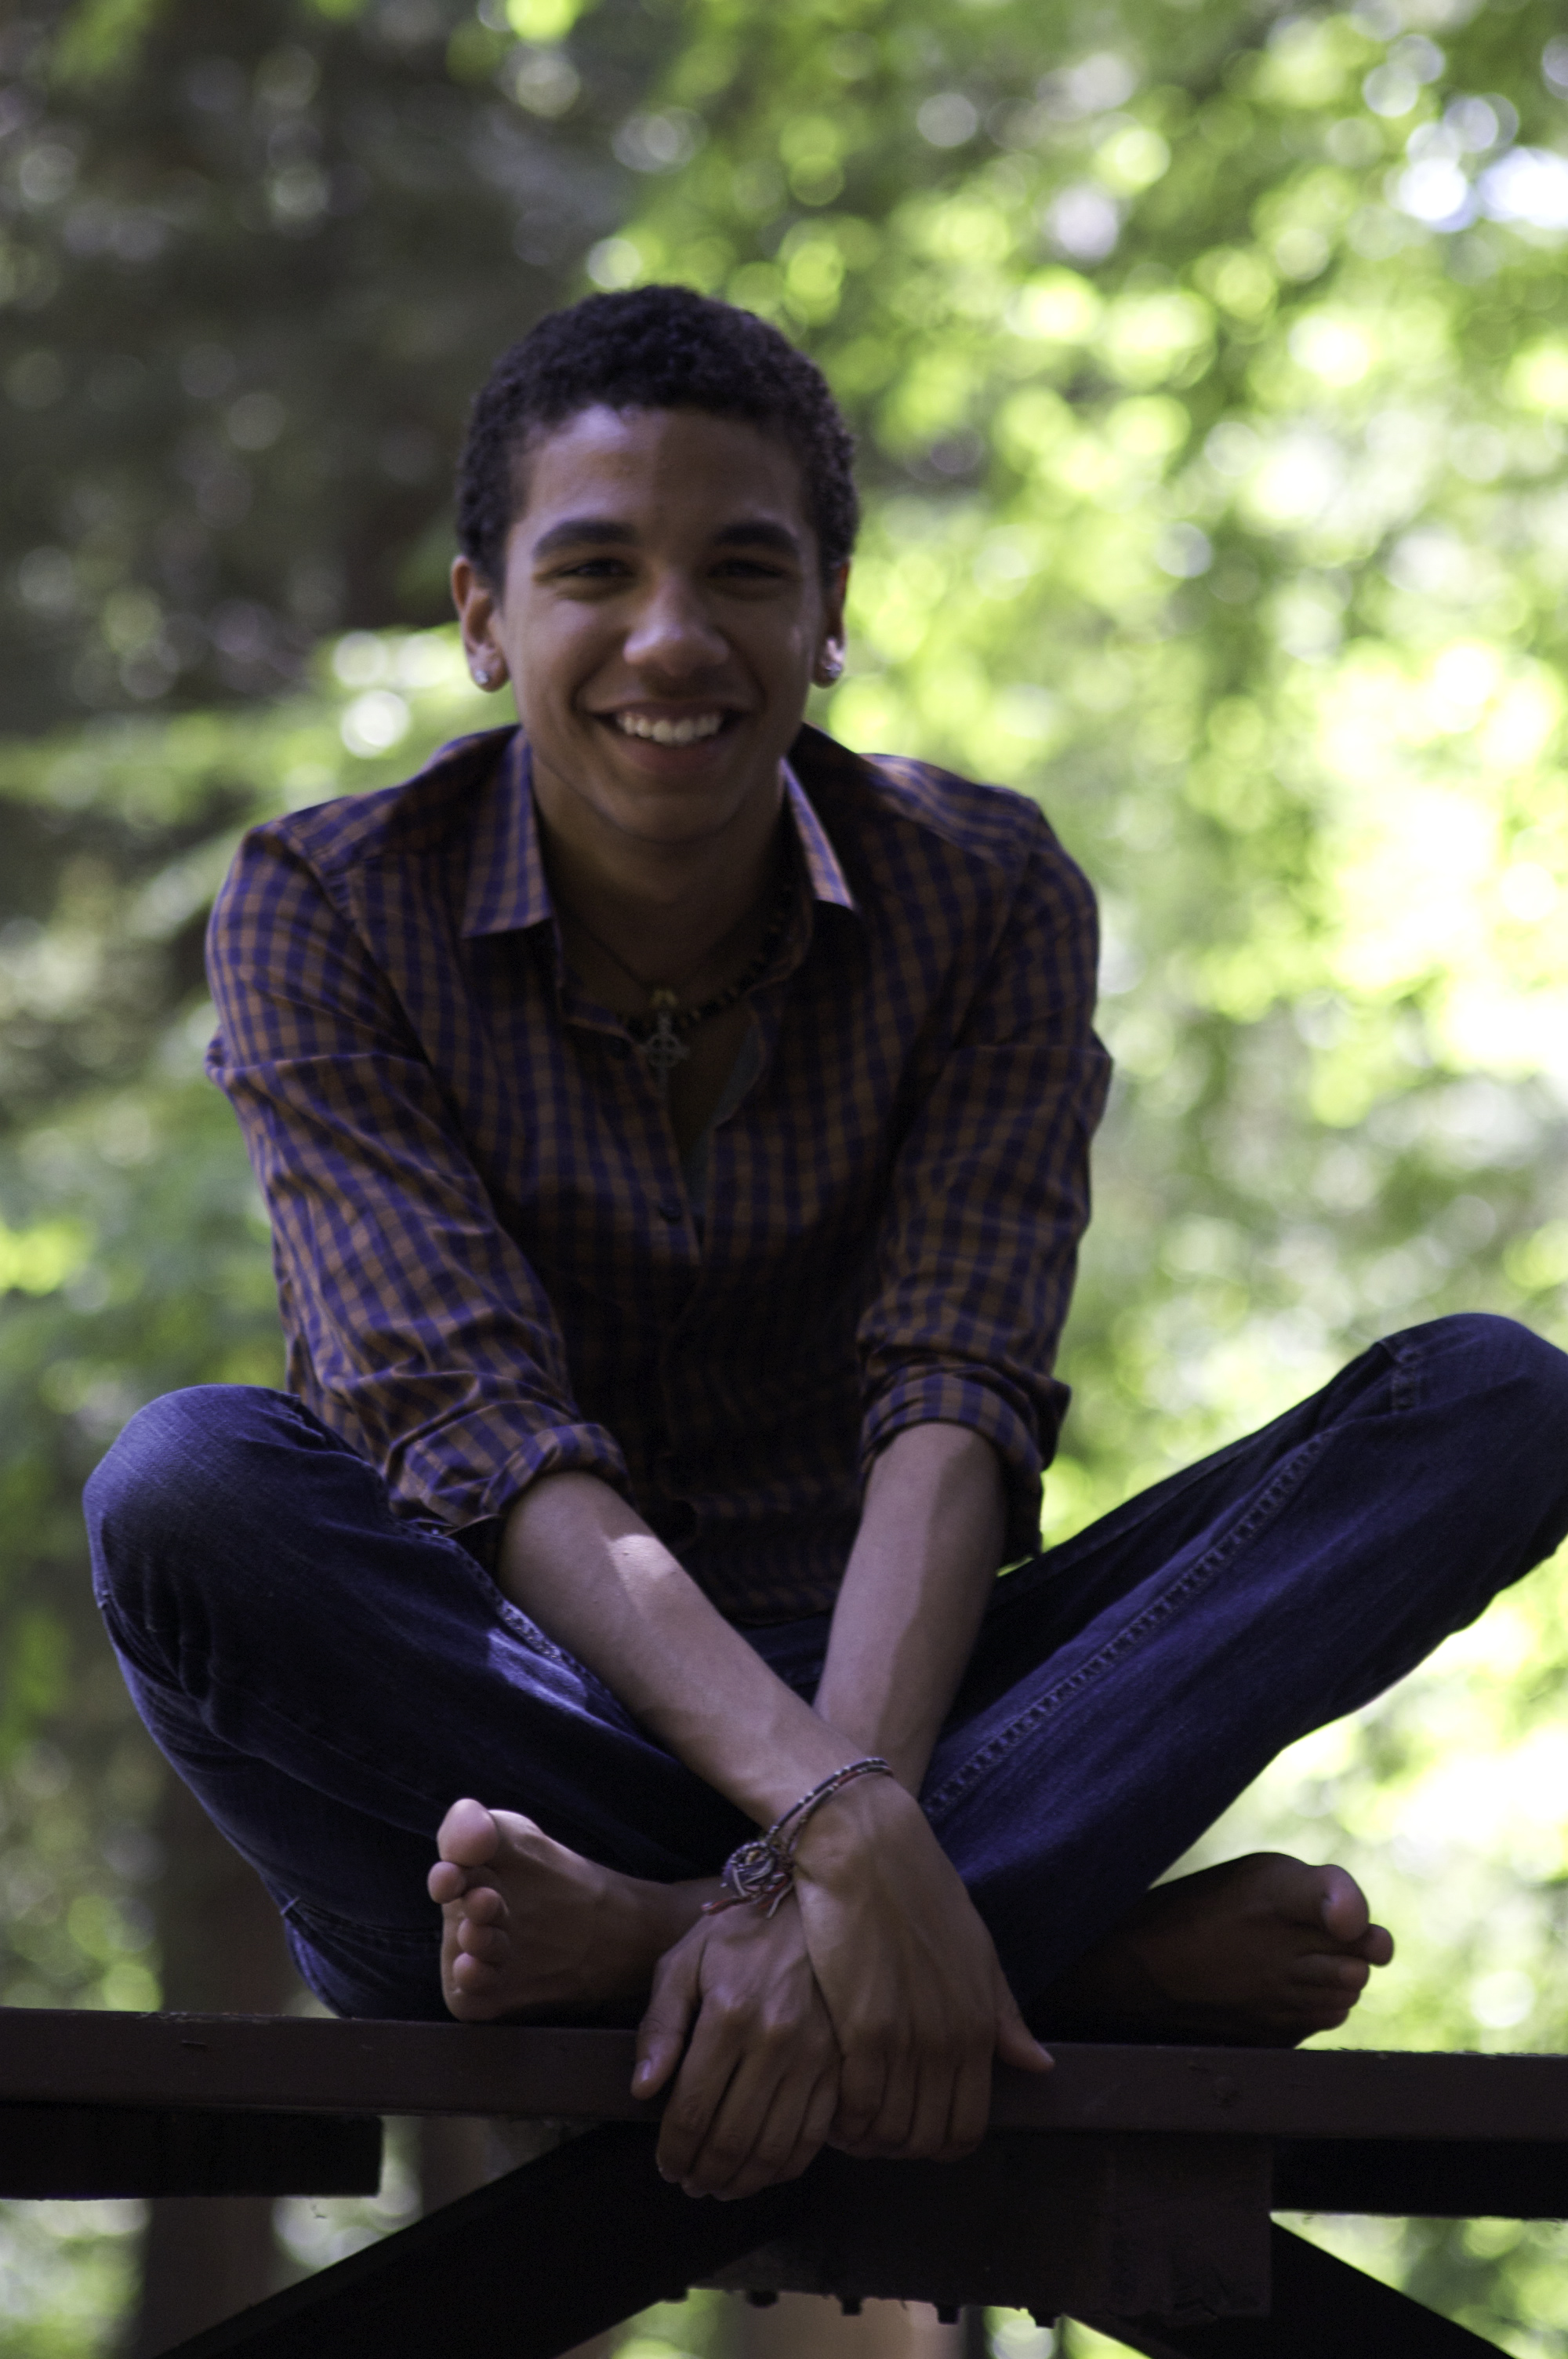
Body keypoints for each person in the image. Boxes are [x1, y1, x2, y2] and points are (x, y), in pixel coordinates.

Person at [86, 287, 1568, 2206]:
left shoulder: (988, 894)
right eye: (595, 571)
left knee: (1494, 1402)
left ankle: (676, 1936)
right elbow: (472, 1425)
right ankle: (1047, 1950)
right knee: (187, 1488)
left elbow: (954, 1406)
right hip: (490, 1754)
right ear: (483, 617)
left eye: (743, 570)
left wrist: (833, 1819)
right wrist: (839, 1833)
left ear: (831, 612)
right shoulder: (325, 900)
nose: (671, 637)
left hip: (911, 1701)